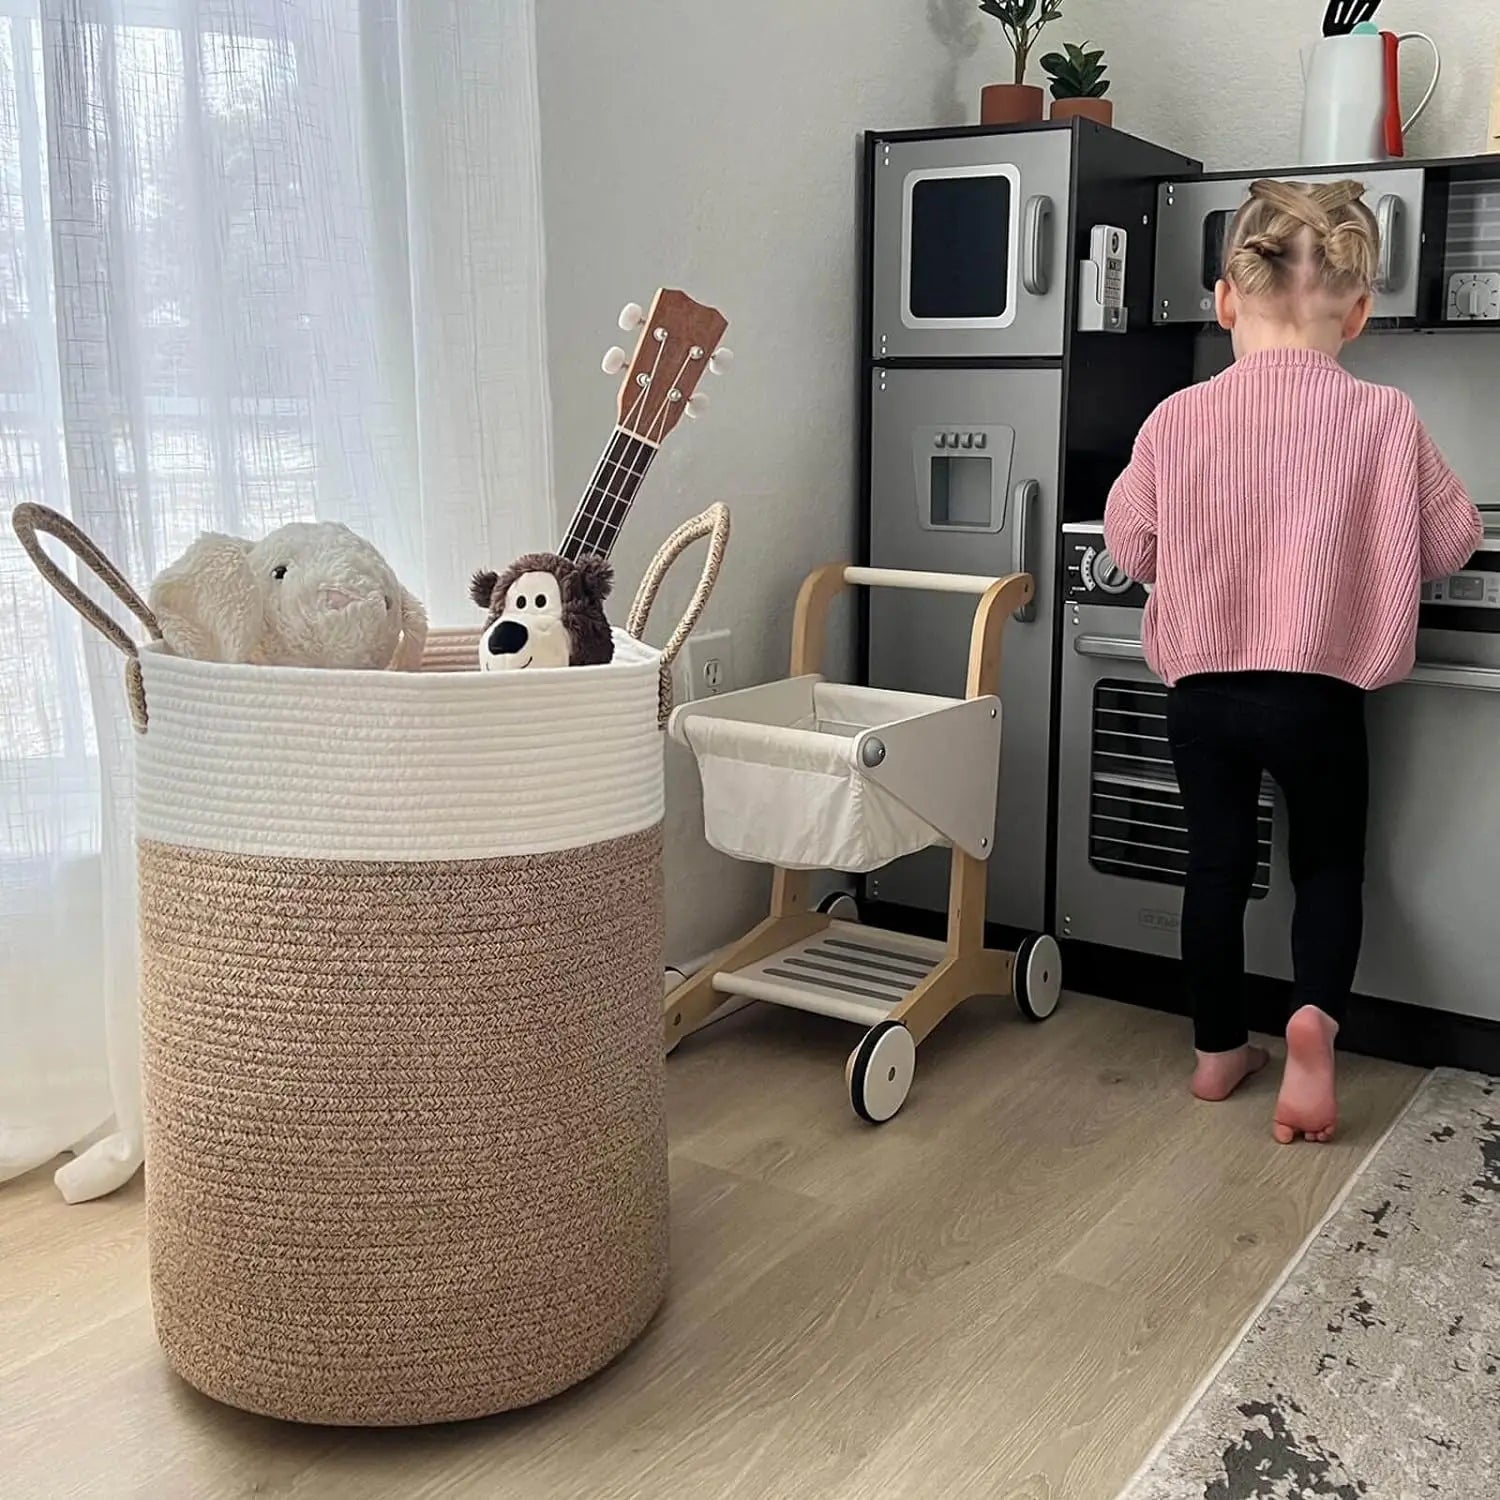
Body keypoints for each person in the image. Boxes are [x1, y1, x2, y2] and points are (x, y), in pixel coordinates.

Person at [1103, 178, 1481, 1145]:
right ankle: (1313, 1019)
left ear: (1226, 302)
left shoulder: (1176, 418)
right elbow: (1452, 541)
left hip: (1203, 694)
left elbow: (1133, 548)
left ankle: (1218, 1051)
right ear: (1357, 314)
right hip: (1318, 695)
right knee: (1327, 867)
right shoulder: (1385, 419)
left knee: (1217, 868)